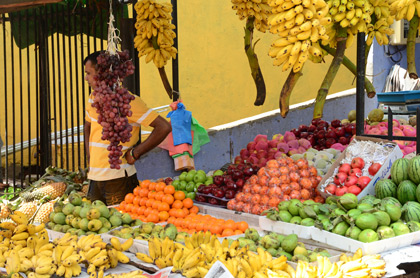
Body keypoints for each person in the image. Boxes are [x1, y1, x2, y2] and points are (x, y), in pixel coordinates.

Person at [83, 51, 171, 205]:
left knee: (121, 225)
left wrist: (136, 153)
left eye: (88, 73)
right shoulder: (93, 98)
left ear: (102, 74)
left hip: (118, 178)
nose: (86, 78)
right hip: (95, 177)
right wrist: (90, 155)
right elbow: (88, 126)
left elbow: (163, 127)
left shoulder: (128, 102)